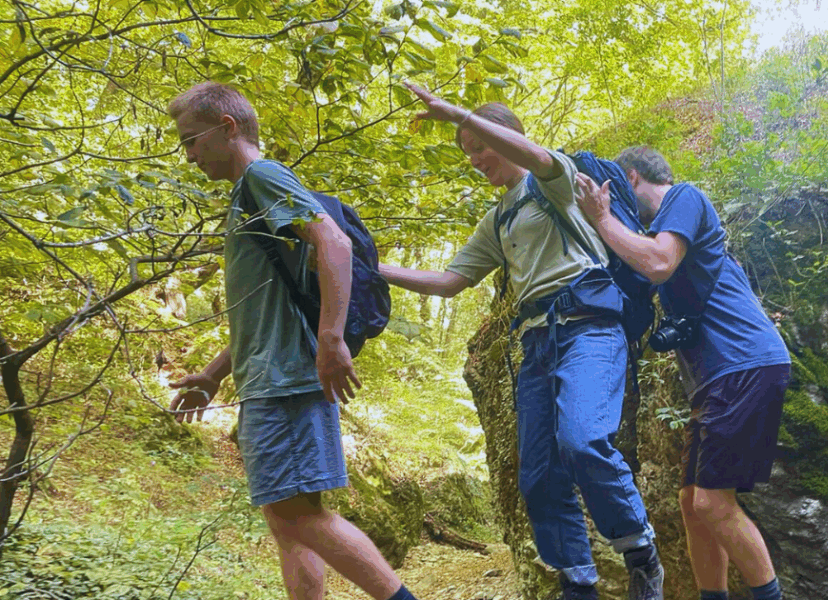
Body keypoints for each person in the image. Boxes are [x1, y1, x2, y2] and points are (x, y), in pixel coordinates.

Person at [376, 83, 663, 600]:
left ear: (506, 135)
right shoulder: (498, 218)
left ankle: (640, 553)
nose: (473, 159)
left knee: (582, 440)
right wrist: (370, 268)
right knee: (538, 476)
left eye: (478, 146)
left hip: (590, 327)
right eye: (467, 151)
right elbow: (449, 281)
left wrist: (455, 114)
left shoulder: (554, 180)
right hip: (536, 345)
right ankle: (577, 582)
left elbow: (538, 158)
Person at [166, 81, 417, 600]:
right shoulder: (248, 196)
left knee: (296, 515)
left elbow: (334, 241)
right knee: (287, 523)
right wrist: (213, 375)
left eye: (191, 140)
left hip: (287, 378)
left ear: (227, 128)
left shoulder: (261, 176)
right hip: (270, 376)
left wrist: (331, 340)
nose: (188, 155)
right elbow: (266, 310)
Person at [574, 146, 792, 600]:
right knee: (693, 504)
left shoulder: (684, 196)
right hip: (716, 378)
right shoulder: (657, 232)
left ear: (631, 178)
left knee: (713, 502)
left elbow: (658, 262)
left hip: (742, 364)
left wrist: (602, 217)